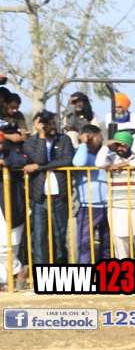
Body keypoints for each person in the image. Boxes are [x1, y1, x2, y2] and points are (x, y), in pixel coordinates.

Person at [22, 111, 74, 265]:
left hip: (59, 198)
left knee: (59, 238)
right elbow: (40, 158)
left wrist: (39, 167)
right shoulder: (30, 143)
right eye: (48, 124)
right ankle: (41, 272)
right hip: (39, 199)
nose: (53, 126)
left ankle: (60, 272)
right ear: (40, 125)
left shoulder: (64, 139)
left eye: (54, 123)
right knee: (39, 239)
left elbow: (67, 160)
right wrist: (41, 136)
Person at [103, 131, 135, 259]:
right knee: (121, 245)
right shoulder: (111, 158)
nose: (120, 148)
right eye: (117, 145)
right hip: (118, 208)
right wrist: (106, 145)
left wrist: (125, 164)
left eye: (124, 145)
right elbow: (99, 163)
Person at [72, 124, 111, 262]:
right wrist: (83, 144)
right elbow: (78, 163)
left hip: (107, 205)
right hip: (88, 206)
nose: (102, 139)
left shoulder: (104, 154)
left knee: (107, 245)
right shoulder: (79, 152)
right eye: (100, 136)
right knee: (84, 244)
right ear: (92, 138)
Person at [0, 122, 31, 288]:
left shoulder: (10, 153)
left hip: (12, 206)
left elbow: (23, 161)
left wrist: (4, 162)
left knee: (12, 245)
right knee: (2, 248)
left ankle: (8, 279)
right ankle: (17, 271)